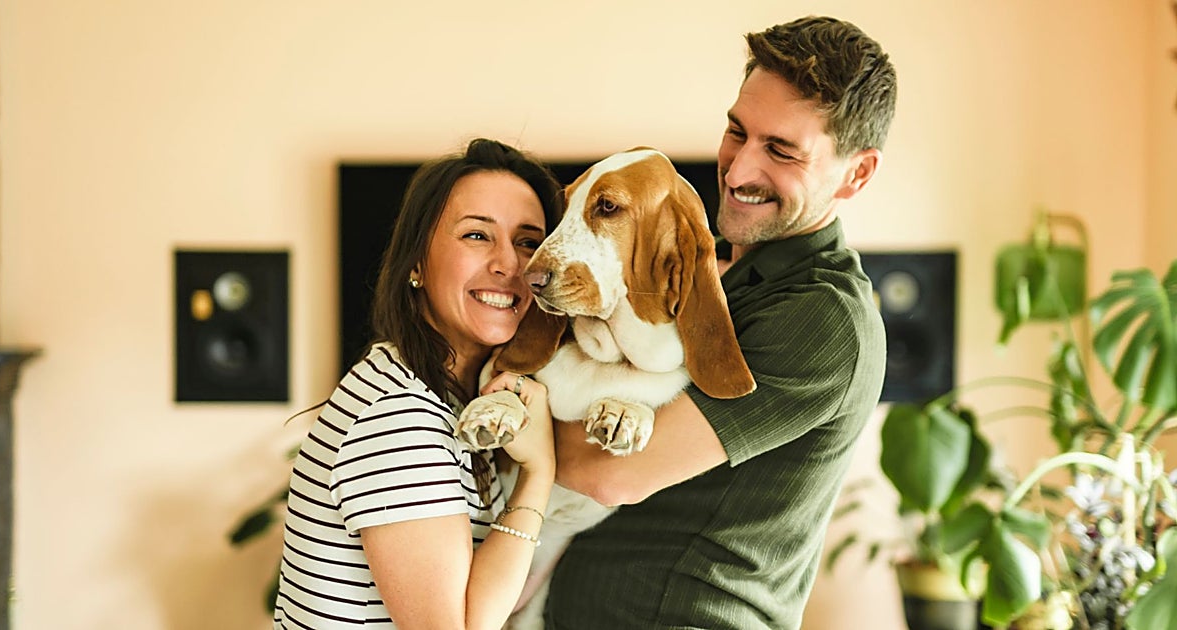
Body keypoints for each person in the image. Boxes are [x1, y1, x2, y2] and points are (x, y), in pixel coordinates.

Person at [544, 16, 897, 630]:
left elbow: (606, 471)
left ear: (857, 173)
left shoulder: (825, 319)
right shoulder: (715, 276)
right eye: (737, 132)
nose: (735, 173)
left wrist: (509, 421)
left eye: (781, 151)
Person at [273, 138, 564, 629]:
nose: (510, 264)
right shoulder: (398, 414)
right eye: (477, 235)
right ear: (415, 262)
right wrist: (539, 473)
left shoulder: (437, 392)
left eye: (528, 242)